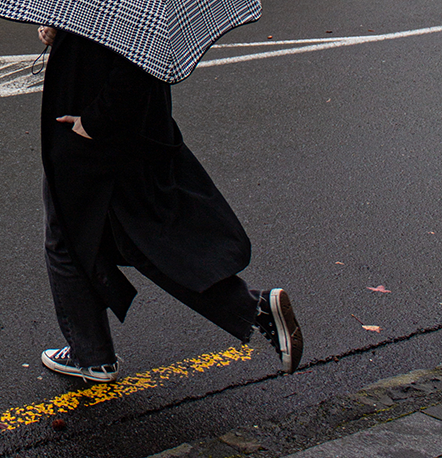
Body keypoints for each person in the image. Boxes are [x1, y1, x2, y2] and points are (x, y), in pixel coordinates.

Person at [37, 24, 302, 382]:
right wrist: (62, 29)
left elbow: (134, 64)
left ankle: (94, 356)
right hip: (125, 133)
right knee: (123, 239)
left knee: (69, 238)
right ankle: (93, 353)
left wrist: (94, 122)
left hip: (97, 137)